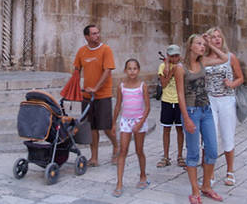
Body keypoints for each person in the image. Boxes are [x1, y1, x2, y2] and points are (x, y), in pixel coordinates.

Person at [175, 34, 223, 203]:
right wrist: (186, 118)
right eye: (199, 44)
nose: (202, 46)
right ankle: (195, 190)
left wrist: (211, 43)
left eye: (204, 44)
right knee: (193, 152)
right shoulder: (180, 67)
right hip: (191, 111)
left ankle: (206, 186)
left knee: (212, 150)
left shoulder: (203, 62)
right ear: (190, 46)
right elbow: (180, 95)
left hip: (206, 109)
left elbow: (223, 58)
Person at [202, 27, 244, 187]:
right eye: (213, 37)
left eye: (219, 37)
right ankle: (210, 172)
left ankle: (230, 171)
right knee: (208, 138)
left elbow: (240, 77)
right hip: (209, 100)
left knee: (228, 136)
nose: (217, 39)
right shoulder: (204, 59)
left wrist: (232, 84)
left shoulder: (229, 57)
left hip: (226, 100)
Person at [73, 24, 118, 167]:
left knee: (105, 127)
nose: (97, 36)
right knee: (91, 127)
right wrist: (74, 88)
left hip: (103, 95)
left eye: (98, 33)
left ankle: (116, 146)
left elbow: (107, 71)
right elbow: (76, 71)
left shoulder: (106, 50)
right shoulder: (81, 52)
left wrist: (96, 88)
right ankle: (94, 157)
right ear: (86, 37)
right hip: (87, 96)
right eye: (93, 34)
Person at [111, 58, 150, 197]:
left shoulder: (142, 86)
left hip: (139, 120)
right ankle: (119, 183)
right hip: (125, 121)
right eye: (129, 68)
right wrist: (113, 123)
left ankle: (143, 175)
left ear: (138, 70)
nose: (132, 71)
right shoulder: (121, 86)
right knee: (123, 151)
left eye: (134, 68)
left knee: (139, 150)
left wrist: (140, 123)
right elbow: (118, 105)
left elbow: (147, 107)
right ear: (125, 70)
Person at [156, 44, 185, 168]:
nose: (175, 58)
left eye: (176, 55)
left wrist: (175, 68)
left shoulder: (182, 66)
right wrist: (171, 71)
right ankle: (166, 156)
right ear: (168, 56)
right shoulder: (162, 67)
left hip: (179, 101)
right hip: (167, 100)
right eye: (172, 56)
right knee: (166, 129)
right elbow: (163, 84)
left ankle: (180, 155)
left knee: (180, 129)